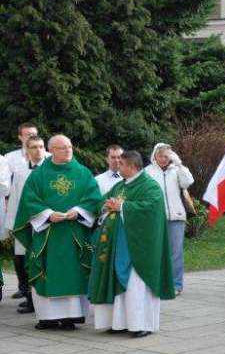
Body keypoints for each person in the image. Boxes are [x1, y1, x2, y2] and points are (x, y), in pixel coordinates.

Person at [12, 135, 102, 331]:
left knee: (73, 271)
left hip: (74, 232)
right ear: (51, 150)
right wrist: (48, 214)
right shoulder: (38, 175)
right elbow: (29, 200)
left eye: (70, 146)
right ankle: (48, 317)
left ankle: (71, 316)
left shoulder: (83, 172)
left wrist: (78, 211)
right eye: (62, 148)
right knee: (46, 269)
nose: (68, 150)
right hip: (48, 233)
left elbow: (94, 198)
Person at [89, 151, 176, 338]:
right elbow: (101, 203)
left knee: (136, 286)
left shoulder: (150, 186)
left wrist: (122, 207)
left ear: (131, 166)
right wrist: (106, 205)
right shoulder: (120, 186)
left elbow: (151, 208)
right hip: (115, 245)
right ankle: (118, 323)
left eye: (120, 163)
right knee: (118, 283)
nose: (117, 166)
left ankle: (141, 324)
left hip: (138, 247)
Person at [5, 136, 47, 313]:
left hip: (46, 222)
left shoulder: (51, 169)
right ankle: (30, 299)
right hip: (25, 224)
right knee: (25, 262)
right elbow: (14, 199)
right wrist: (12, 224)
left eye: (41, 146)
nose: (38, 150)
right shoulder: (21, 171)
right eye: (34, 147)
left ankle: (44, 299)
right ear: (27, 150)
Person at [145, 143, 194, 296]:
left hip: (176, 216)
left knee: (175, 252)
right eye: (160, 156)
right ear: (155, 156)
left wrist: (179, 164)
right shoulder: (148, 172)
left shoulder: (176, 170)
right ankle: (157, 282)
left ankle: (176, 284)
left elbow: (188, 182)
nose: (163, 159)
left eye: (166, 156)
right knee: (156, 251)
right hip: (156, 218)